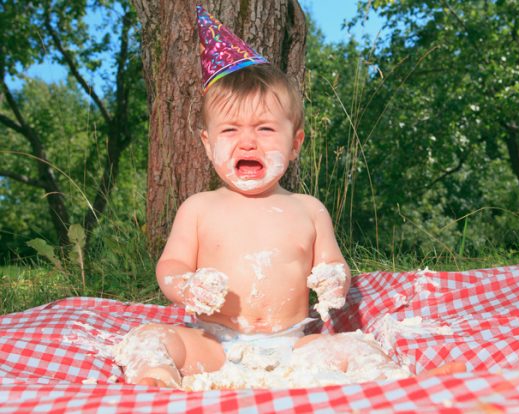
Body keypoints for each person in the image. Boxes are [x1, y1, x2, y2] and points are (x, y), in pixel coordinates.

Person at [113, 7, 411, 388]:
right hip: (213, 343)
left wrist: (335, 278)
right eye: (231, 130)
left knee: (357, 348)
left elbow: (333, 263)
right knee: (148, 338)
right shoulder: (200, 208)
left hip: (293, 345)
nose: (248, 141)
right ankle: (157, 380)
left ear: (295, 144)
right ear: (208, 144)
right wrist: (185, 286)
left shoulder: (309, 209)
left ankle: (399, 383)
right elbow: (170, 265)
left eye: (266, 128)